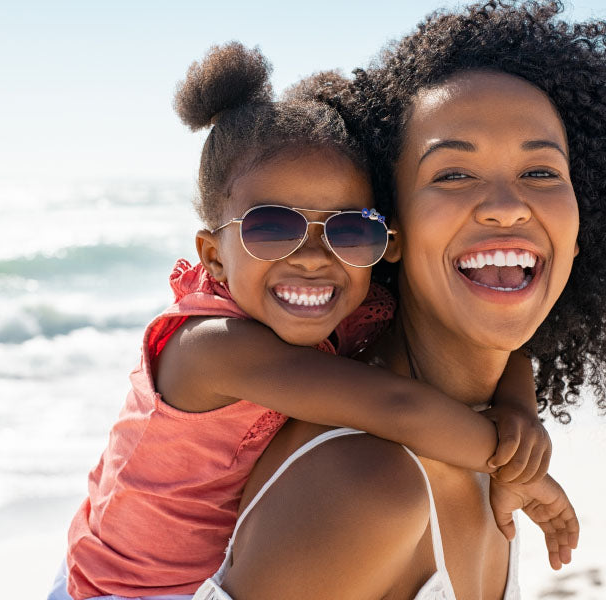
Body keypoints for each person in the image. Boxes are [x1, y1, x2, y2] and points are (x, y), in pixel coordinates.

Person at [194, 2, 606, 599]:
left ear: (582, 230)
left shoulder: (490, 438)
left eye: (542, 173)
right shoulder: (366, 486)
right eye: (452, 174)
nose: (506, 205)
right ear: (388, 234)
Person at [51, 42, 560, 600]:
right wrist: (526, 473)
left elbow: (498, 345)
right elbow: (397, 407)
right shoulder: (211, 348)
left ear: (386, 242)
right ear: (213, 255)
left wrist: (518, 406)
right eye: (271, 228)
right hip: (120, 589)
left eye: (349, 231)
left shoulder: (349, 309)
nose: (315, 256)